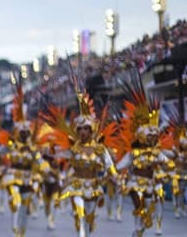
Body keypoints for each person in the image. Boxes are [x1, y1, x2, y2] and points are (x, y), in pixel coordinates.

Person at [42, 92, 117, 237]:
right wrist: (50, 149)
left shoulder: (99, 149)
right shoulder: (73, 148)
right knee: (80, 213)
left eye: (86, 128)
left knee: (89, 218)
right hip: (76, 185)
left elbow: (109, 164)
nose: (83, 132)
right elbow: (58, 153)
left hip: (93, 185)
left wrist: (115, 176)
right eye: (80, 129)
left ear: (91, 130)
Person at [0, 83, 51, 237]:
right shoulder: (12, 145)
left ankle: (21, 232)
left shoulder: (33, 148)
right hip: (13, 176)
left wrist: (45, 167)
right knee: (15, 203)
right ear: (17, 132)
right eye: (21, 132)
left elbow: (39, 160)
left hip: (28, 178)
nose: (23, 134)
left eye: (26, 132)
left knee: (24, 207)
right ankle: (15, 227)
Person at [114, 83, 171, 237]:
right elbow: (120, 166)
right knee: (140, 209)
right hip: (135, 183)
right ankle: (138, 231)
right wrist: (112, 169)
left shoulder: (157, 153)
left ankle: (138, 231)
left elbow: (169, 161)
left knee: (148, 213)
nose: (151, 140)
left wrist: (169, 167)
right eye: (149, 137)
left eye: (153, 138)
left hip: (151, 184)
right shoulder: (134, 153)